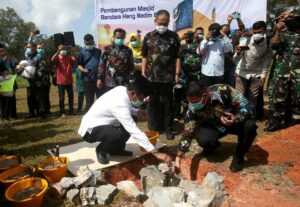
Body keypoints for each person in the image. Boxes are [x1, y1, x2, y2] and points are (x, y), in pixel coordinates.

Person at [78, 74, 172, 165]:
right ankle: (101, 150)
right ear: (133, 93)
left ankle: (116, 149)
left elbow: (125, 108)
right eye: (141, 98)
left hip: (102, 123)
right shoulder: (119, 103)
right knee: (117, 134)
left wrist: (137, 112)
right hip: (90, 130)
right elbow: (133, 129)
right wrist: (156, 153)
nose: (142, 101)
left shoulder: (122, 90)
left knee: (132, 119)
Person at [175, 81, 257, 172]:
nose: (193, 105)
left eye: (196, 102)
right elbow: (188, 131)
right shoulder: (192, 107)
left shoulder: (225, 90)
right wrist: (180, 153)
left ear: (205, 95)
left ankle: (239, 157)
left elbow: (249, 107)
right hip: (216, 126)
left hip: (236, 122)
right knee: (203, 138)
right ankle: (211, 147)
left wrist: (236, 118)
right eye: (191, 102)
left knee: (250, 126)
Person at [142, 10, 181, 140]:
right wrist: (143, 71)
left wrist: (177, 73)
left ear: (169, 22)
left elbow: (178, 57)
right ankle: (153, 128)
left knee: (168, 104)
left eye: (165, 23)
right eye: (160, 22)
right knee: (152, 104)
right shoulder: (148, 37)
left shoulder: (174, 37)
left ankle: (168, 129)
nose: (162, 25)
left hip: (168, 77)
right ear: (155, 21)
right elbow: (144, 56)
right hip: (152, 77)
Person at [265, 11, 300, 131]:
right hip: (282, 71)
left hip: (298, 72)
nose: (289, 20)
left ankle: (295, 123)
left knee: (298, 98)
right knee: (279, 97)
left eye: (292, 18)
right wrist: (278, 30)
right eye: (287, 18)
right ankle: (276, 121)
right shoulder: (282, 32)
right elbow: (274, 45)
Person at [234, 21, 273, 115]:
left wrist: (263, 76)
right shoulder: (245, 41)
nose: (257, 34)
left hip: (257, 74)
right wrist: (238, 53)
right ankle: (239, 117)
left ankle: (250, 117)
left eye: (259, 32)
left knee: (253, 98)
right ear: (252, 31)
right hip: (241, 73)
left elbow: (266, 61)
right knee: (239, 97)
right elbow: (236, 59)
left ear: (264, 31)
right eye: (255, 32)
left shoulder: (267, 44)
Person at [197, 23, 233, 87]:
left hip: (219, 73)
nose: (214, 33)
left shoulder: (222, 41)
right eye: (212, 31)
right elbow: (199, 52)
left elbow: (229, 50)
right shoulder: (204, 41)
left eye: (216, 31)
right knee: (205, 93)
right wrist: (206, 40)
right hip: (206, 72)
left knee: (218, 93)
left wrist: (224, 37)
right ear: (209, 31)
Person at [23, 42, 49, 119]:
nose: (28, 49)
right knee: (30, 97)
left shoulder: (39, 56)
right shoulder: (28, 56)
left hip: (37, 81)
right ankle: (31, 113)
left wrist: (36, 75)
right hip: (29, 81)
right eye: (27, 47)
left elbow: (42, 68)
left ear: (34, 48)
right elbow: (25, 66)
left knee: (39, 98)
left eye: (30, 47)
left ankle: (41, 113)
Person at [78, 34, 102, 112]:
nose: (89, 45)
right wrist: (83, 70)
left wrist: (100, 77)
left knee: (101, 98)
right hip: (87, 79)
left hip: (98, 79)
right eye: (87, 44)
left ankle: (101, 114)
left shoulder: (99, 51)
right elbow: (79, 64)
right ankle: (89, 116)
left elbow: (102, 64)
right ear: (84, 43)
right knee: (89, 100)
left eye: (90, 43)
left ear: (93, 41)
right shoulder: (82, 52)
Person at [51, 45, 76, 117]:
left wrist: (71, 50)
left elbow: (75, 59)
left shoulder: (69, 57)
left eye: (65, 49)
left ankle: (71, 111)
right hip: (61, 81)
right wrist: (58, 51)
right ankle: (62, 112)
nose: (63, 50)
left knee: (71, 96)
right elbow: (52, 60)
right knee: (61, 97)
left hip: (69, 80)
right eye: (62, 49)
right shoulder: (58, 57)